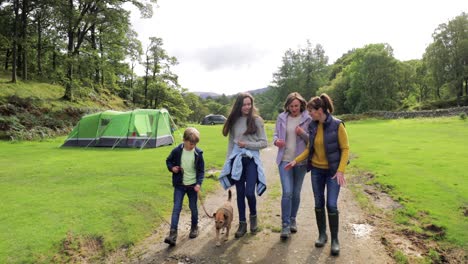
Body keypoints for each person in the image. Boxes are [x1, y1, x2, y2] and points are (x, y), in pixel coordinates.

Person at [285, 93, 349, 256]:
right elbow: (309, 148)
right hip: (317, 171)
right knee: (318, 203)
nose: (309, 114)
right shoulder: (313, 126)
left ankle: (335, 240)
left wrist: (341, 170)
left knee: (332, 204)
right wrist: (296, 160)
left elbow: (345, 149)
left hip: (333, 172)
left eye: (311, 111)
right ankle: (322, 235)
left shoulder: (337, 125)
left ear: (320, 110)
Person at [218, 92, 268, 238]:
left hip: (251, 161)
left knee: (249, 193)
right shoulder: (234, 121)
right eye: (244, 104)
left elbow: (264, 143)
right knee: (240, 194)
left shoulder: (257, 121)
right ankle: (242, 224)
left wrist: (247, 144)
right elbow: (231, 143)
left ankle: (253, 218)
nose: (247, 107)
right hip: (237, 161)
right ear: (239, 105)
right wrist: (228, 161)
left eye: (249, 104)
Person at [273, 92, 312, 240]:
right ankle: (285, 224)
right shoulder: (282, 117)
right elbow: (276, 135)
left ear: (301, 105)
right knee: (287, 192)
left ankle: (293, 219)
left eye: (296, 106)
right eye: (291, 106)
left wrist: (302, 133)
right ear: (287, 106)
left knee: (296, 193)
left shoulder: (308, 118)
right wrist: (276, 141)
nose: (294, 108)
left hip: (300, 161)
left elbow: (312, 141)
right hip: (284, 160)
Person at [164, 127, 205, 246]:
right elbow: (168, 161)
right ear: (184, 140)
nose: (193, 145)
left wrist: (198, 184)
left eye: (195, 144)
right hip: (179, 185)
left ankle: (194, 228)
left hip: (192, 186)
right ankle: (172, 234)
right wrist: (172, 168)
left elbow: (201, 171)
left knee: (193, 207)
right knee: (176, 208)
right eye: (191, 143)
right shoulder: (176, 151)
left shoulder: (198, 153)